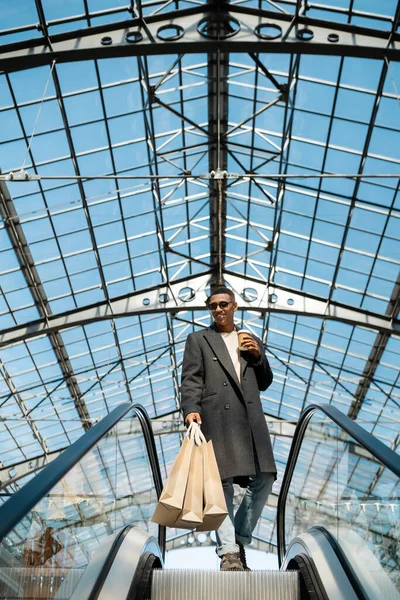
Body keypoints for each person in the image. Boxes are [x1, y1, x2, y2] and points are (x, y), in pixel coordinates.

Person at [180, 285, 277, 571]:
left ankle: (238, 538)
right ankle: (230, 554)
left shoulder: (249, 338)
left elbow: (264, 382)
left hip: (250, 421)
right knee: (220, 484)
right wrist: (191, 410)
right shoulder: (198, 339)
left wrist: (258, 356)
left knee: (266, 478)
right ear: (210, 310)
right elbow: (191, 379)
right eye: (214, 306)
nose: (219, 309)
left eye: (224, 304)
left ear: (234, 306)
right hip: (216, 418)